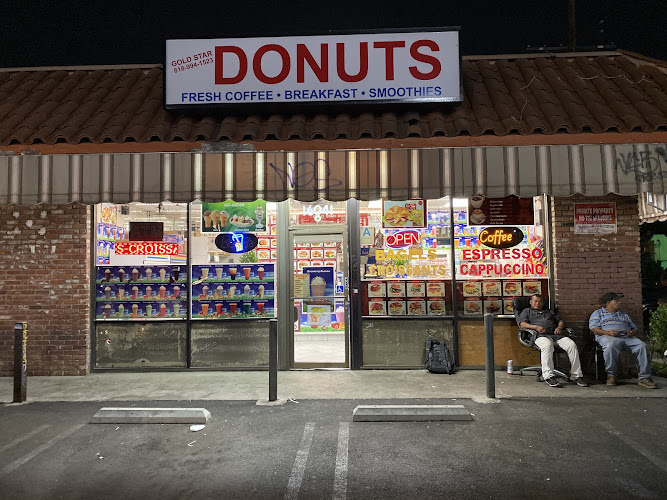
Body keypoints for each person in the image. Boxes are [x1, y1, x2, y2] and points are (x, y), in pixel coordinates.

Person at [589, 292, 658, 389]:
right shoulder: (598, 313)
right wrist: (608, 333)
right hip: (607, 336)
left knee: (642, 346)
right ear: (608, 302)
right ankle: (611, 375)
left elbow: (634, 328)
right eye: (616, 300)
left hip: (626, 337)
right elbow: (594, 329)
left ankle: (644, 378)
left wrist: (632, 332)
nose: (619, 302)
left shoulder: (623, 314)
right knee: (611, 344)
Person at [518, 294, 588, 388]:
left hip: (555, 335)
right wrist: (535, 327)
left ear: (543, 303)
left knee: (571, 345)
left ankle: (576, 375)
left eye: (540, 301)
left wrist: (559, 327)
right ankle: (548, 376)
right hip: (538, 336)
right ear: (531, 302)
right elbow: (522, 324)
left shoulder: (549, 312)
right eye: (535, 301)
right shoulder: (527, 311)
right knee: (547, 345)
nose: (538, 303)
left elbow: (560, 321)